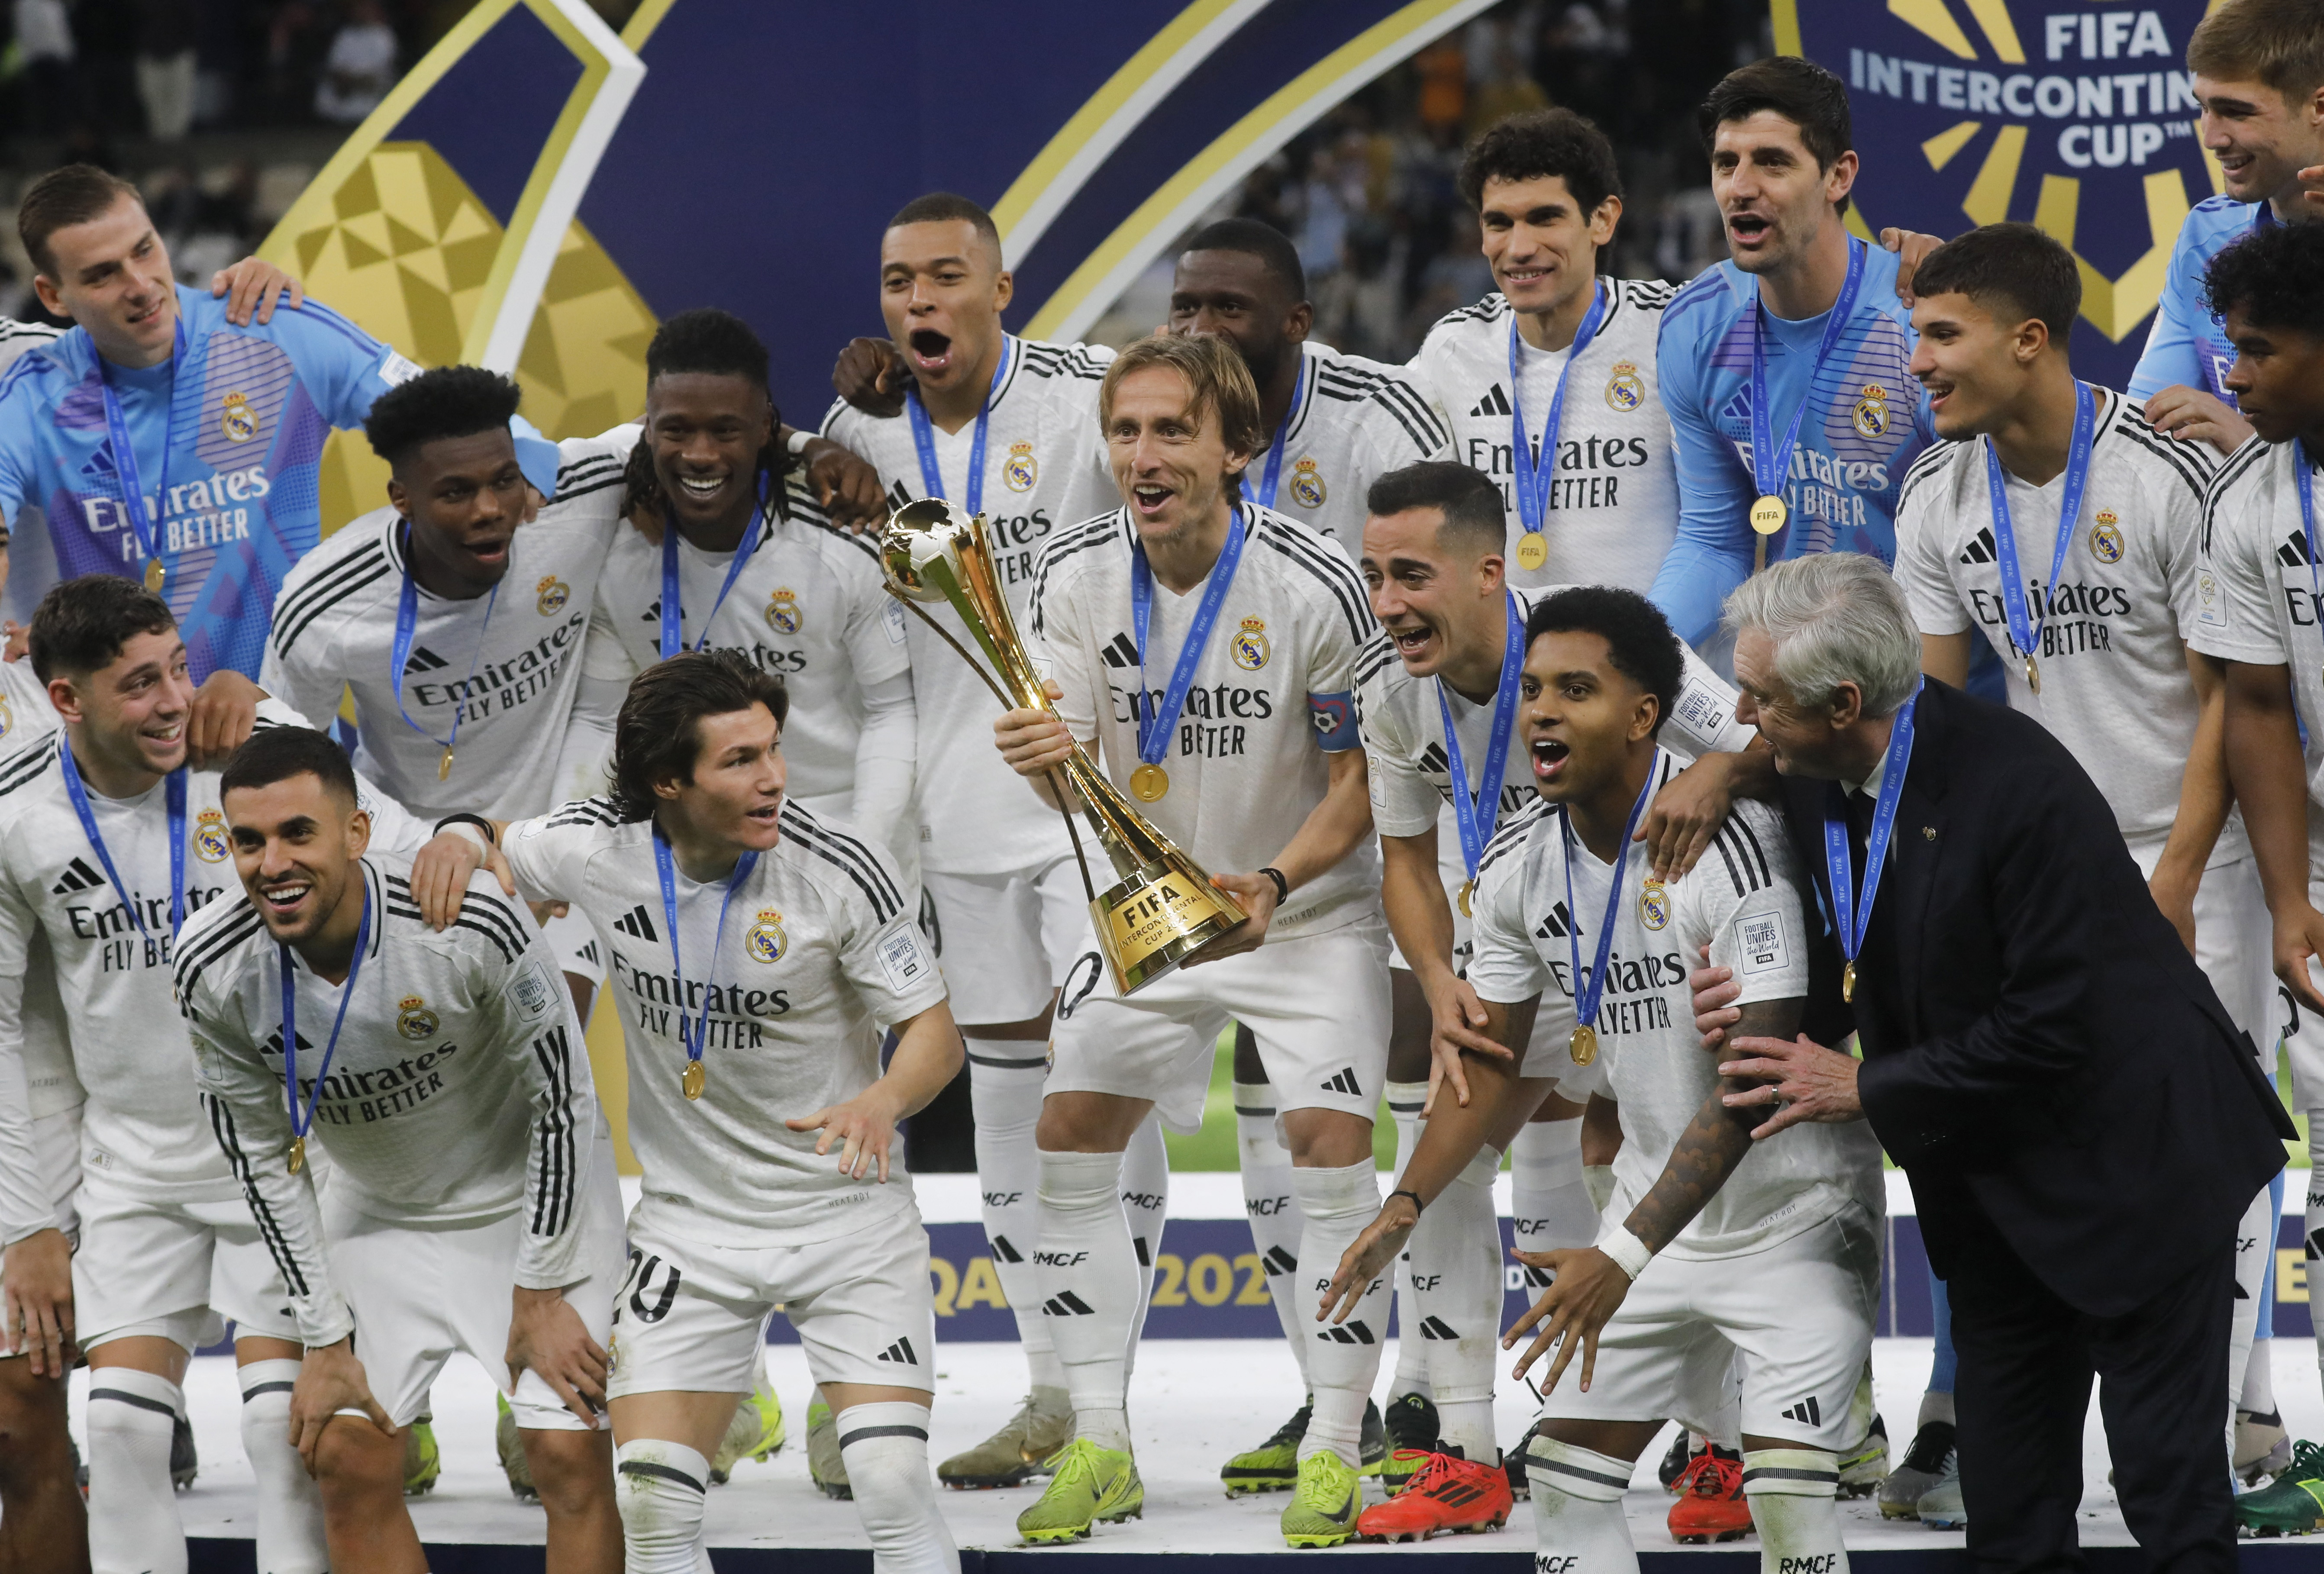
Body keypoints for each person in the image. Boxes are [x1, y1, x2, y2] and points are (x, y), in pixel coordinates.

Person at [1703, 552, 2288, 1572]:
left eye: (1758, 697)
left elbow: (2053, 1022)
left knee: (2166, 1501)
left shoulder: (2012, 785)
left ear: (1844, 701)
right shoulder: (1820, 766)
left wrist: (1863, 1086)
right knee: (2009, 1518)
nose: (1743, 720)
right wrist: (1771, 1008)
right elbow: (1882, 949)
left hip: (2136, 1171)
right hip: (1993, 1189)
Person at [1326, 584, 1875, 1574]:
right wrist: (1404, 1200)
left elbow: (1751, 1087)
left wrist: (1614, 1253)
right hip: (1651, 1232)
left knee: (1788, 1510)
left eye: (1573, 689)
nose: (1539, 709)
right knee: (1567, 1497)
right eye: (1533, 688)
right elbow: (1489, 1066)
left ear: (1639, 716)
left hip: (1795, 1224)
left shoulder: (1730, 845)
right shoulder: (1516, 866)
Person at [423, 648, 965, 1574]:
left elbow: (934, 1034)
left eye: (774, 748)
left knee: (889, 1484)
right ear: (667, 783)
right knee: (655, 1507)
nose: (775, 777)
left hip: (844, 1218)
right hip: (690, 1230)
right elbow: (500, 836)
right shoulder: (601, 848)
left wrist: (881, 1101)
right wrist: (457, 838)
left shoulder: (841, 866)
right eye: (742, 760)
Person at [1892, 222, 2279, 1513]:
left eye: (1941, 336)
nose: (1917, 362)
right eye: (1913, 334)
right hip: (2047, 868)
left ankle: (2220, 1431)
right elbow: (1928, 725)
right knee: (2054, 1127)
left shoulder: (2165, 471)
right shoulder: (1935, 497)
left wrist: (2172, 876)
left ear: (2027, 340)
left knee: (2194, 1141)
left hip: (2197, 845)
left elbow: (2233, 692)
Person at [995, 332, 1387, 1548]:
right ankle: (1104, 1442)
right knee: (1067, 1132)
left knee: (1327, 1149)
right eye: (1127, 431)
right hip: (1153, 913)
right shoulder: (1071, 574)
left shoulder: (1315, 582)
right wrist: (1049, 761)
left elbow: (1360, 772)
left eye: (1174, 431)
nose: (1146, 456)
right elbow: (1064, 741)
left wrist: (1274, 879)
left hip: (1300, 910)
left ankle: (1333, 1447)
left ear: (1236, 448)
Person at [819, 191, 1171, 1494]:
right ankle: (1047, 1391)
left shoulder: (1084, 394)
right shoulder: (850, 427)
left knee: (1099, 1081)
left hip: (1089, 806)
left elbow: (1182, 415)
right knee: (1012, 1109)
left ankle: (1106, 1407)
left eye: (946, 276)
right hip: (957, 823)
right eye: (897, 280)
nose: (919, 302)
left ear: (1002, 289)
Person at [1349, 461, 1769, 1539]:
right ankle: (1468, 1446)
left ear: (1487, 573)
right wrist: (1436, 975)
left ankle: (1719, 1439)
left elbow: (1765, 747)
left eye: (1409, 575)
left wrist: (1711, 774)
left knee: (1645, 1154)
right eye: (1373, 576)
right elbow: (1402, 858)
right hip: (1514, 942)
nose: (1387, 602)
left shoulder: (1610, 645)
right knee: (1441, 1166)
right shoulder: (1386, 686)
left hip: (1650, 944)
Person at [0, 574, 433, 1574]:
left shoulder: (248, 744)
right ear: (67, 700)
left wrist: (460, 844)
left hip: (285, 1156)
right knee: (118, 1434)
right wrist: (26, 1223)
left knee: (286, 1442)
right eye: (140, 683)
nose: (174, 701)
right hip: (133, 1163)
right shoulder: (20, 814)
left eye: (180, 668)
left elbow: (398, 842)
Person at [174, 726, 626, 1574]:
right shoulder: (209, 964)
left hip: (532, 1209)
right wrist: (323, 1340)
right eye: (248, 841)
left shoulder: (466, 918)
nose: (272, 863)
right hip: (378, 1209)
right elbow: (260, 1159)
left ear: (355, 833)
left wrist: (539, 1290)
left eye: (297, 834)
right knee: (342, 1460)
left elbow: (564, 1094)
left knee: (564, 1456)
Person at [260, 367, 626, 1016]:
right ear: (402, 498)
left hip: (551, 842)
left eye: (504, 481)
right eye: (455, 493)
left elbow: (694, 430)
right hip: (411, 855)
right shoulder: (326, 602)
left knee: (553, 1041)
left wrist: (810, 448)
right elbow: (290, 771)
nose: (490, 510)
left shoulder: (579, 493)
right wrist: (419, 853)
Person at [0, 164, 404, 682]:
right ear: (54, 296)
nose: (141, 286)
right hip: (121, 737)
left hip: (278, 726)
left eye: (145, 250)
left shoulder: (274, 328)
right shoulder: (33, 393)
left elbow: (452, 422)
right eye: (103, 274)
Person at [571, 309, 915, 871]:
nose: (700, 455)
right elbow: (595, 719)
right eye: (677, 430)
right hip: (693, 844)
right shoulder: (619, 550)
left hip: (834, 829)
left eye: (726, 431)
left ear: (764, 429)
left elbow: (893, 712)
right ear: (647, 431)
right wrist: (583, 848)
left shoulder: (843, 542)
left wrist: (860, 853)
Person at [2187, 217, 2324, 1532]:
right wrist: (2291, 904)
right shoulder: (2247, 497)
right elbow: (2258, 711)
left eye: (2260, 351)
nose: (2233, 374)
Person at [1647, 59, 1937, 649]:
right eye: (1726, 164)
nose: (1741, 187)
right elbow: (1714, 542)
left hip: (1929, 676)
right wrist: (1635, 653)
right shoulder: (1695, 326)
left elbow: (1974, 546)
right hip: (1800, 687)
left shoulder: (1921, 322)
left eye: (1772, 162)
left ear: (1838, 177)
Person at [1411, 109, 1682, 595]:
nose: (1518, 248)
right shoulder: (1452, 350)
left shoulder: (1671, 329)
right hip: (1518, 665)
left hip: (1654, 660)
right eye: (1499, 223)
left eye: (1544, 219)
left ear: (1601, 220)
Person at [1164, 216, 1452, 557]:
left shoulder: (1382, 413)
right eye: (1185, 308)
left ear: (1297, 323)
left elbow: (1444, 569)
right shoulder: (1153, 417)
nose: (1199, 331)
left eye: (1230, 308)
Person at [2131, 0, 2324, 457]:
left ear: (2318, 105)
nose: (2211, 138)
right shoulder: (2206, 235)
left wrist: (2255, 456)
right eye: (2203, 108)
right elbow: (2144, 429)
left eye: (2236, 112)